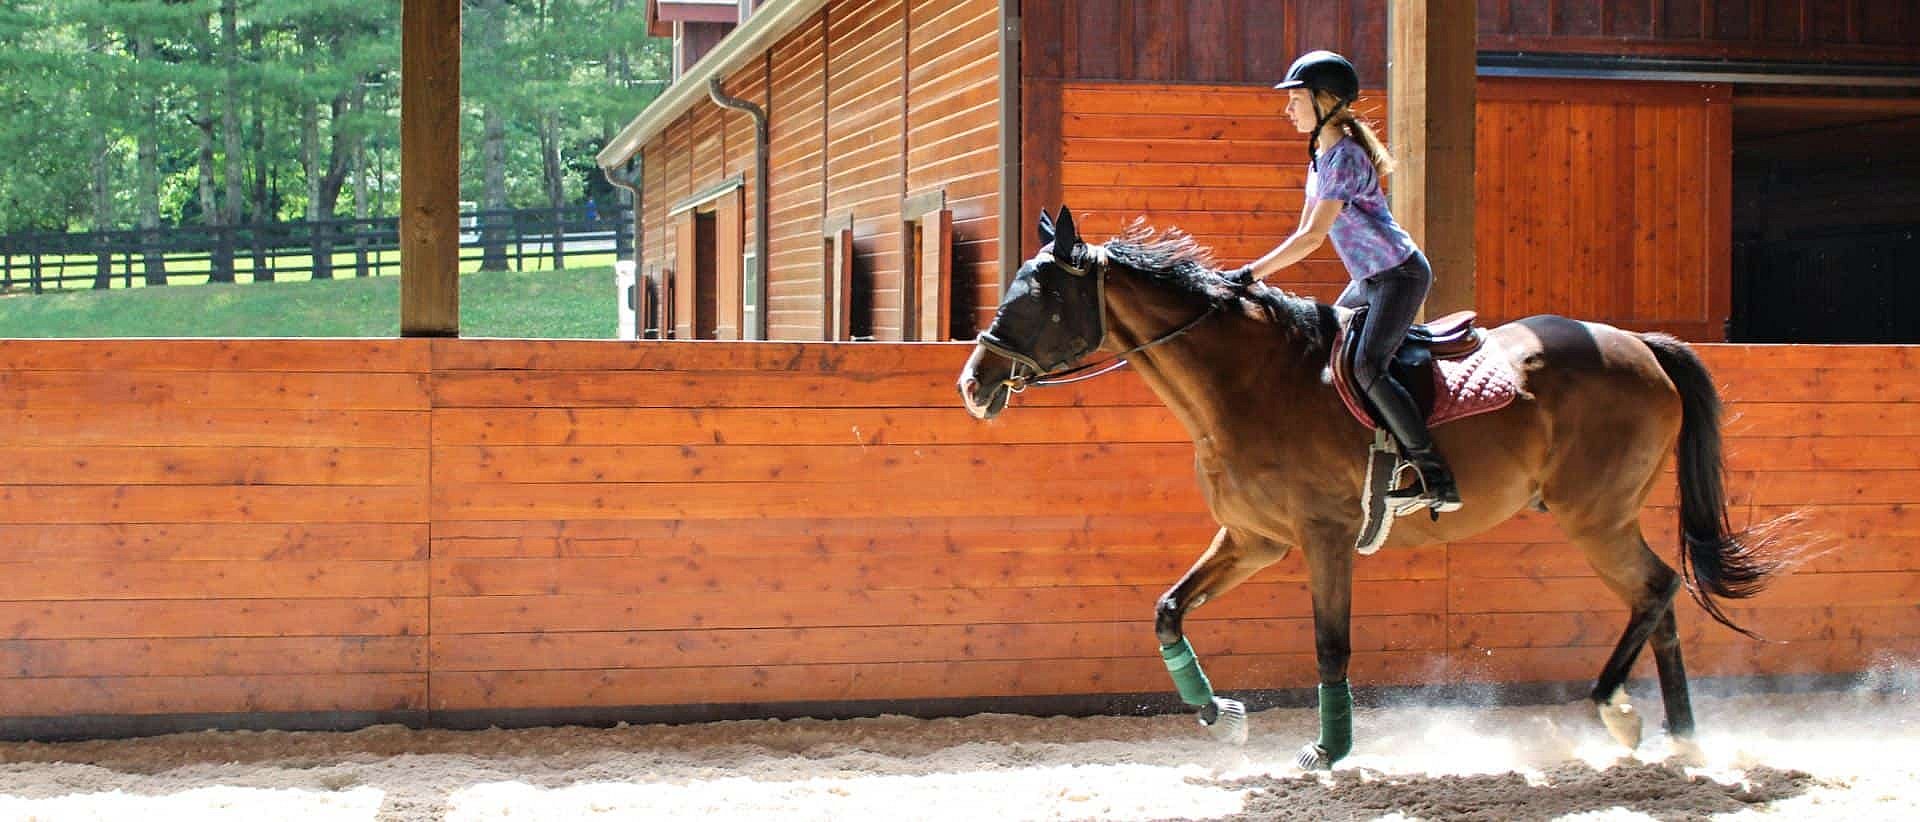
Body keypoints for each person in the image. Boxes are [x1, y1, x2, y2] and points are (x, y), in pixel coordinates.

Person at [1225, 50, 1461, 513]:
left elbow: (1312, 238)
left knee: (1367, 366)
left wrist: (1249, 275)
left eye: (1296, 100)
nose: (1288, 109)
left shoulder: (1346, 159)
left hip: (1398, 276)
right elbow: (1303, 232)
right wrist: (1252, 276)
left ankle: (1434, 475)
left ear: (1325, 101)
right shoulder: (1321, 158)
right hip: (1371, 278)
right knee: (1327, 348)